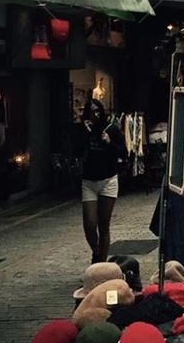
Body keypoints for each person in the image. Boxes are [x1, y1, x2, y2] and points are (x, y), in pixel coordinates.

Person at [74, 97, 126, 262]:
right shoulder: (83, 130)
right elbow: (76, 151)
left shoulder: (111, 129)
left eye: (97, 111)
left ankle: (101, 264)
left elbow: (123, 153)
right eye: (91, 112)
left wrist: (109, 142)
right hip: (89, 181)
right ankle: (97, 251)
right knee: (89, 225)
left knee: (104, 225)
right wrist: (84, 133)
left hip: (108, 180)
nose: (94, 115)